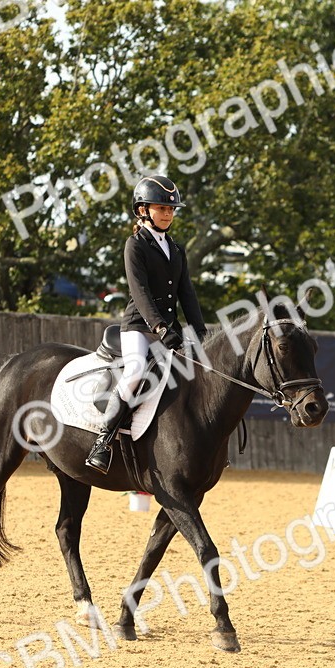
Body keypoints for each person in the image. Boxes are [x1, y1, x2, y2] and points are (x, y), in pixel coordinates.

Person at [85, 175, 208, 473]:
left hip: (168, 332)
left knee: (194, 375)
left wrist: (201, 332)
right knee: (136, 371)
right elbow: (139, 292)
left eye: (171, 209)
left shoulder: (176, 249)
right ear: (143, 210)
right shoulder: (135, 245)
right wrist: (160, 328)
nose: (168, 214)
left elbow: (187, 294)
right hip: (139, 328)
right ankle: (103, 441)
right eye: (161, 208)